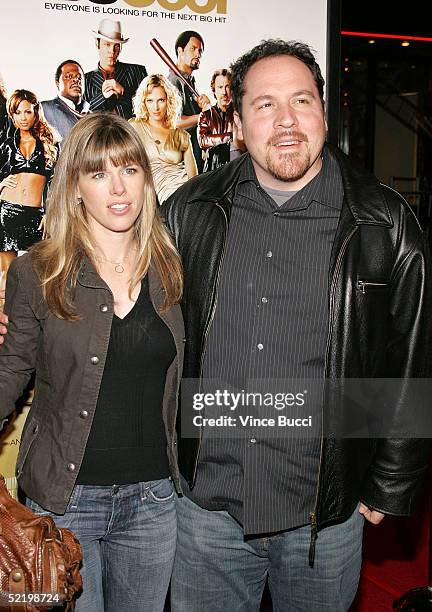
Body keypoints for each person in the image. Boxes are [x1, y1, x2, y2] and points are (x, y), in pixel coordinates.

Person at [160, 40, 432, 611]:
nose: (286, 121)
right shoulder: (190, 211)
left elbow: (412, 356)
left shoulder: (381, 221)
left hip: (323, 517)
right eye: (265, 105)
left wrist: (390, 480)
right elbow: (133, 314)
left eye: (302, 101)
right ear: (236, 123)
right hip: (208, 509)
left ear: (324, 113)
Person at [0, 113, 184, 612]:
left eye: (130, 170)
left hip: (153, 500)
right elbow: (12, 367)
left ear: (148, 179)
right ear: (76, 186)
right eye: (99, 173)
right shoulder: (38, 270)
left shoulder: (172, 268)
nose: (119, 188)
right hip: (65, 499)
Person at [0, 89, 58, 256]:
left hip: (36, 215)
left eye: (27, 111)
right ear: (12, 115)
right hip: (7, 213)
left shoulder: (49, 143)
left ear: (36, 112)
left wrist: (49, 213)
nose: (23, 118)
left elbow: (55, 182)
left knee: (37, 272)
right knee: (6, 272)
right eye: (18, 113)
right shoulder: (5, 144)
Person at [129, 74, 197, 204]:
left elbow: (194, 180)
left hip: (186, 197)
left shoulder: (181, 136)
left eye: (161, 100)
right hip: (159, 201)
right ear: (143, 102)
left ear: (169, 101)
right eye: (150, 101)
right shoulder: (134, 127)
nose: (156, 107)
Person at [85, 19, 147, 119]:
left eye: (117, 46)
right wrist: (103, 96)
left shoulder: (137, 71)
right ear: (97, 44)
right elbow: (82, 115)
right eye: (107, 44)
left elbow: (149, 108)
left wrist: (123, 92)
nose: (112, 51)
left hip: (131, 133)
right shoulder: (85, 80)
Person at [168, 31, 211, 173]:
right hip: (182, 162)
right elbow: (176, 122)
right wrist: (204, 116)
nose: (198, 55)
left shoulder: (189, 82)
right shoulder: (174, 81)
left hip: (195, 157)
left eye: (200, 51)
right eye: (193, 49)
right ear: (180, 51)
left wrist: (201, 108)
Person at [42, 60, 90, 144]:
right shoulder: (43, 109)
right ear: (57, 83)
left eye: (79, 77)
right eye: (69, 76)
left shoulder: (93, 116)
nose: (76, 80)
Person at [198, 68, 234, 172]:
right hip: (212, 170)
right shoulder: (206, 114)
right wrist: (230, 136)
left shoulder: (239, 113)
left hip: (235, 166)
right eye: (220, 87)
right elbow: (203, 141)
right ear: (214, 90)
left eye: (227, 87)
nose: (224, 92)